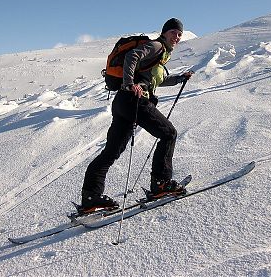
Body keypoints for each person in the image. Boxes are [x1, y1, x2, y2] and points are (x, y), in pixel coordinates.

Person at [80, 18, 193, 213]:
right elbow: (132, 56)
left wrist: (179, 79)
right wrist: (129, 83)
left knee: (112, 151)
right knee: (169, 133)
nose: (177, 37)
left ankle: (91, 197)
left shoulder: (161, 54)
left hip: (123, 103)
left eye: (180, 34)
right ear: (165, 32)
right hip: (134, 100)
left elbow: (158, 80)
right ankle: (161, 184)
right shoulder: (156, 45)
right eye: (174, 32)